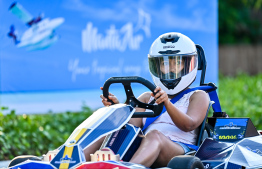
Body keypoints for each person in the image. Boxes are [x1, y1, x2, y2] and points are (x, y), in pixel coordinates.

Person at [99, 32, 210, 168]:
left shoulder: (198, 96)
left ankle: (127, 168)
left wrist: (167, 104)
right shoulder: (148, 97)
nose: (171, 68)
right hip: (146, 145)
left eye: (177, 62)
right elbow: (130, 127)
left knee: (154, 135)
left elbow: (189, 125)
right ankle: (73, 161)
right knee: (108, 132)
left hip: (181, 150)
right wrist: (117, 108)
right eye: (164, 63)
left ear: (189, 64)